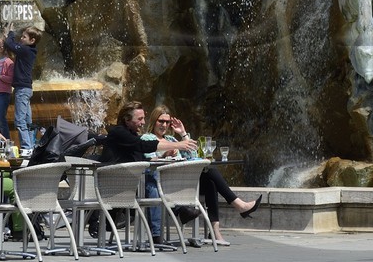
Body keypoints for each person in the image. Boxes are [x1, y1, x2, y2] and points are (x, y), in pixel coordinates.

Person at [156, 111, 259, 245]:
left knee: (211, 181)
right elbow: (148, 158)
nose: (164, 125)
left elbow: (192, 154)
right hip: (165, 185)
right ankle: (239, 205)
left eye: (167, 122)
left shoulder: (171, 139)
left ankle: (216, 232)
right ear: (154, 120)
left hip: (183, 182)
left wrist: (182, 133)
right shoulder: (148, 139)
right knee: (210, 170)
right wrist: (166, 154)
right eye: (161, 121)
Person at [102, 101, 196, 240]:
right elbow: (142, 146)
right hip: (115, 186)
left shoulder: (131, 135)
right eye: (139, 119)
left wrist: (167, 153)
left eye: (144, 118)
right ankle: (161, 229)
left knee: (152, 181)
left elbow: (142, 158)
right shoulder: (119, 132)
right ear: (127, 119)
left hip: (131, 183)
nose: (142, 122)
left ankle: (173, 217)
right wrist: (178, 145)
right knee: (152, 183)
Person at [7, 26, 42, 153]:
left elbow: (10, 44)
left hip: (22, 90)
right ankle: (31, 145)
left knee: (20, 120)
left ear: (32, 40)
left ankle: (26, 147)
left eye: (24, 37)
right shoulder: (29, 50)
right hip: (26, 89)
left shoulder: (26, 50)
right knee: (28, 120)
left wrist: (10, 33)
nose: (21, 38)